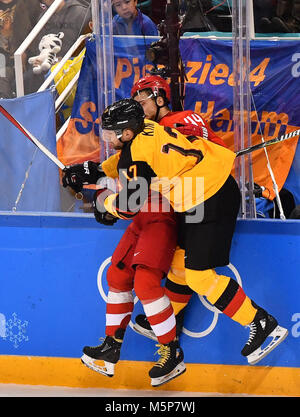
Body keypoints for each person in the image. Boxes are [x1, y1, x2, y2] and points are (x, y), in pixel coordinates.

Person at [129, 75, 227, 340]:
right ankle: (170, 322)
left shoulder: (163, 127)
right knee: (181, 260)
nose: (138, 108)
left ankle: (261, 323)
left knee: (193, 270)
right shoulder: (188, 117)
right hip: (202, 193)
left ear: (160, 99)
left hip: (199, 196)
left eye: (142, 101)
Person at [25, 0, 91, 94]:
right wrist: (39, 59)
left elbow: (87, 44)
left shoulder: (80, 12)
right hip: (47, 64)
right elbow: (40, 46)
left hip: (72, 65)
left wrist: (65, 60)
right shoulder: (43, 17)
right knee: (27, 78)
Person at [0, 0, 41, 98]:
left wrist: (8, 36)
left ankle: (6, 109)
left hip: (21, 58)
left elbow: (36, 36)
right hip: (4, 58)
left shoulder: (29, 4)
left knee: (2, 75)